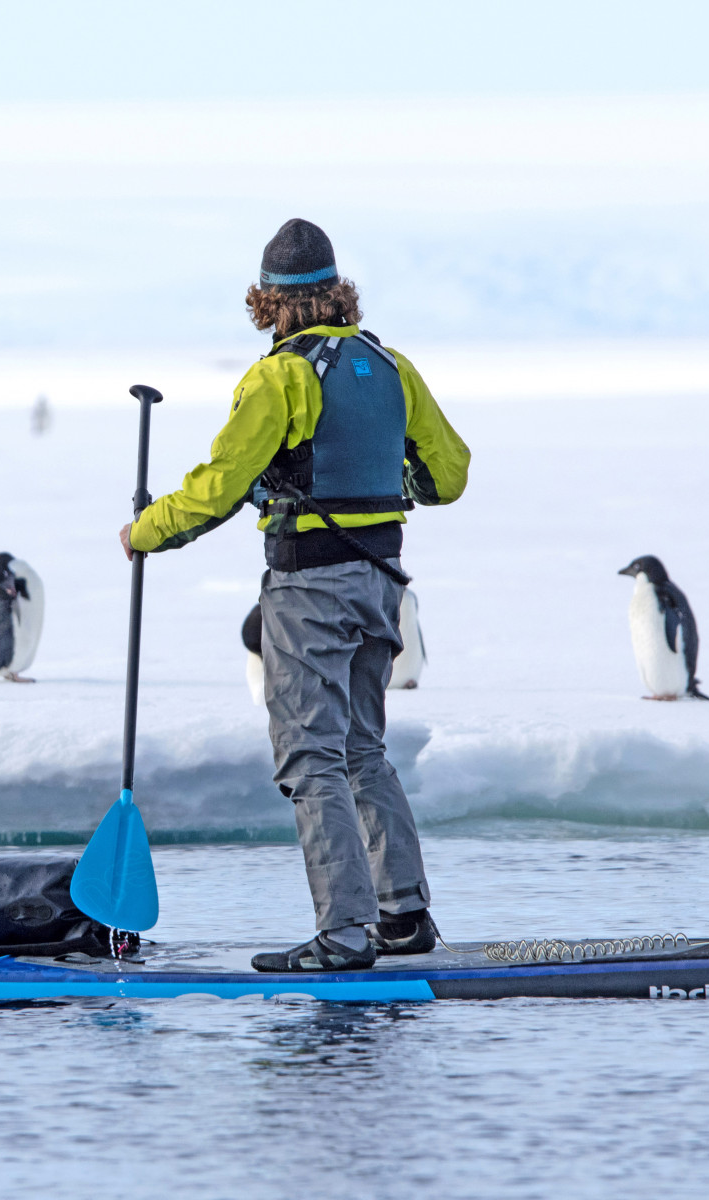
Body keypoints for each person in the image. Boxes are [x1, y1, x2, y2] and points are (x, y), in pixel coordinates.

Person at [120, 218, 470, 972]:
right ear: (337, 294)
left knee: (311, 761)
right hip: (382, 586)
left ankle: (343, 937)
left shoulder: (278, 377)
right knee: (362, 752)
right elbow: (449, 476)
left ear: (268, 303)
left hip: (308, 589)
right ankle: (403, 918)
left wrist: (147, 530)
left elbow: (216, 488)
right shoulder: (392, 365)